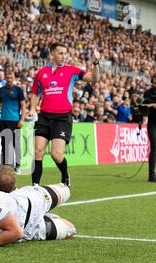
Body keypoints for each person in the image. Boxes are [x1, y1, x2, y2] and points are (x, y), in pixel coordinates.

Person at [29, 43, 100, 188]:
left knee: (56, 154)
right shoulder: (42, 73)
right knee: (38, 152)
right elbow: (36, 93)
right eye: (60, 53)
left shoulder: (71, 71)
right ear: (52, 55)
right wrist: (32, 109)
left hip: (62, 118)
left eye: (65, 53)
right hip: (44, 116)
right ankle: (35, 186)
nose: (64, 56)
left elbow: (93, 78)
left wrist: (96, 63)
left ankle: (65, 175)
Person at [0, 70, 27, 173]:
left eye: (11, 78)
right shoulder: (1, 90)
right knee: (3, 143)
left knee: (15, 143)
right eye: (7, 78)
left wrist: (22, 119)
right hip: (3, 120)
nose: (9, 79)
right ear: (5, 78)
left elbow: (23, 106)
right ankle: (5, 166)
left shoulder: (18, 90)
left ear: (14, 78)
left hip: (15, 121)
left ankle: (18, 165)